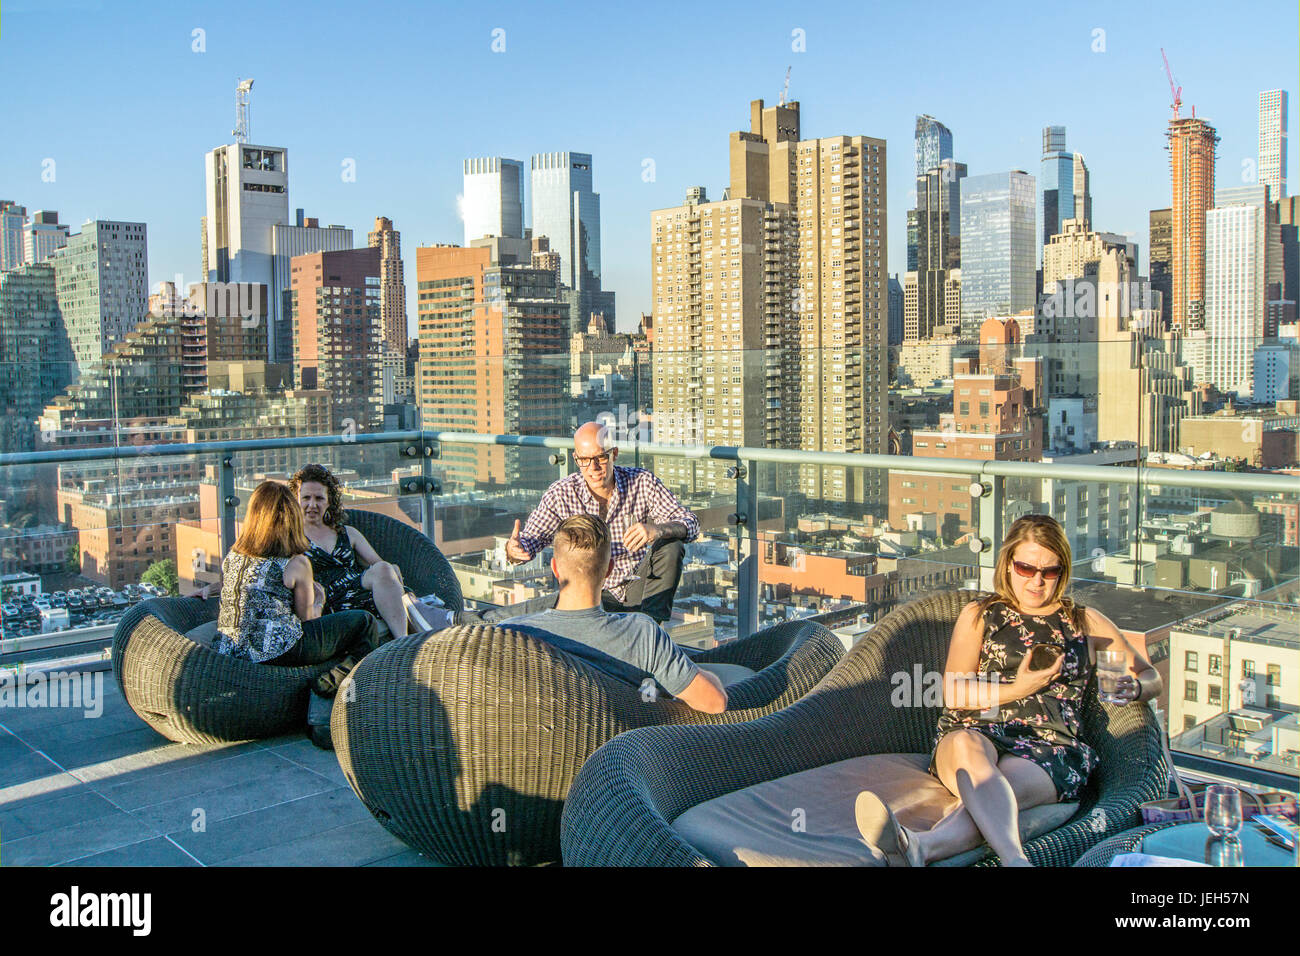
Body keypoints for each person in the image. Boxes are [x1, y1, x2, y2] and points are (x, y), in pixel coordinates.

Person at [855, 513, 1161, 867]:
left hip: (1048, 747)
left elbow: (1152, 676)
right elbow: (954, 692)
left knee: (997, 792)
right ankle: (1016, 857)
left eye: (1050, 571)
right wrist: (1019, 687)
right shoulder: (981, 615)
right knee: (974, 758)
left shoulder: (1084, 621)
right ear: (1008, 565)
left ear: (1063, 572)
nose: (1036, 581)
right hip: (975, 730)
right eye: (1026, 568)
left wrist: (1137, 687)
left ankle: (920, 846)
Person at [466, 421, 699, 625]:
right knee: (528, 614)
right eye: (585, 461)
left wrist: (657, 530)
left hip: (636, 589)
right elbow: (529, 542)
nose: (593, 468)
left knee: (672, 543)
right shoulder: (562, 493)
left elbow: (690, 523)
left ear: (614, 454)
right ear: (576, 459)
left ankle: (650, 630)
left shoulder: (641, 482)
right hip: (587, 594)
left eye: (600, 458)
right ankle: (465, 622)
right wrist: (514, 550)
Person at [502, 514, 727, 714]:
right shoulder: (643, 634)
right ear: (609, 569)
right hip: (621, 756)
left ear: (554, 568)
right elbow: (715, 703)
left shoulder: (511, 635)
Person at [213, 481, 379, 686]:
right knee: (365, 622)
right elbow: (308, 621)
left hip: (228, 648)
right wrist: (318, 602)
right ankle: (334, 686)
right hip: (278, 650)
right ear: (291, 518)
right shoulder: (296, 563)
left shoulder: (234, 556)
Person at [289, 463, 431, 641]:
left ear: (329, 501)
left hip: (359, 592)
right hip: (326, 604)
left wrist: (392, 569)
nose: (312, 505)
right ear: (296, 499)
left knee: (385, 569)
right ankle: (417, 630)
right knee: (405, 603)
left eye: (319, 498)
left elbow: (380, 568)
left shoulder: (347, 533)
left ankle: (401, 640)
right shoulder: (291, 538)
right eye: (306, 498)